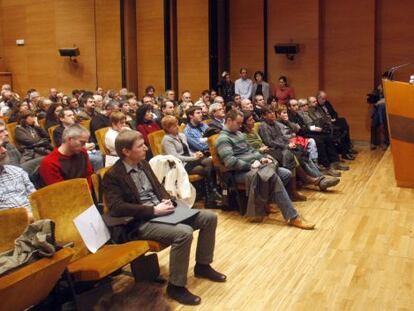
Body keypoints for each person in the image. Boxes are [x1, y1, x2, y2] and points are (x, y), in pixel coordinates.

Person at [103, 130, 226, 305]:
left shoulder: (143, 164)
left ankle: (203, 266)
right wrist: (152, 210)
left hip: (162, 212)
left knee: (209, 218)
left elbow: (158, 187)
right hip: (140, 222)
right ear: (126, 151)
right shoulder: (113, 175)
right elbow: (116, 208)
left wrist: (167, 200)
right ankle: (176, 286)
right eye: (140, 146)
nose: (146, 147)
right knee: (183, 233)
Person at [215, 110, 315, 228]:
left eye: (241, 123)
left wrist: (262, 158)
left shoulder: (239, 134)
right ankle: (292, 217)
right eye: (238, 123)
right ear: (229, 121)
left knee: (286, 173)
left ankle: (264, 204)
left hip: (256, 167)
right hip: (240, 172)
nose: (240, 125)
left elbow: (251, 151)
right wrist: (251, 165)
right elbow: (230, 162)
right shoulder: (223, 139)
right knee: (272, 177)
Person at [161, 115, 221, 207]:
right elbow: (175, 157)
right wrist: (194, 158)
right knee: (204, 168)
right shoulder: (167, 140)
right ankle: (212, 195)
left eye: (176, 124)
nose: (177, 127)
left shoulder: (181, 135)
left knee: (209, 162)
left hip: (190, 161)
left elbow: (188, 151)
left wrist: (196, 154)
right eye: (173, 126)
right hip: (179, 165)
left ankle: (212, 194)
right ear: (167, 128)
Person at [0, 138, 36, 219]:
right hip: (9, 223)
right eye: (0, 148)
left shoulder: (17, 171)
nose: (4, 150)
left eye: (3, 146)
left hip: (34, 215)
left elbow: (34, 197)